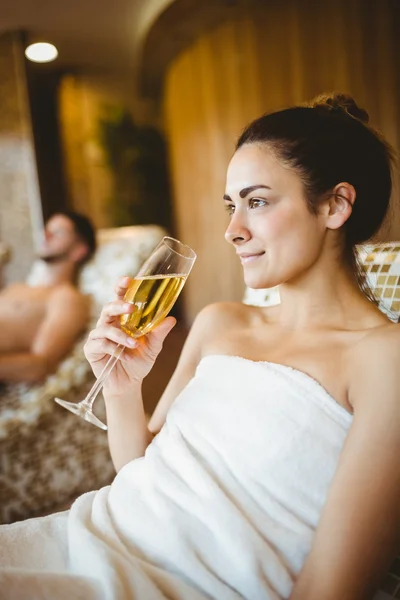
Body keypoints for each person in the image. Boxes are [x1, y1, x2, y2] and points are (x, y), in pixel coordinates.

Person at [0, 93, 398, 600]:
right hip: (87, 536)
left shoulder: (384, 360)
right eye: (231, 206)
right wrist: (124, 387)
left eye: (257, 202)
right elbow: (140, 476)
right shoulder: (220, 323)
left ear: (334, 205)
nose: (232, 230)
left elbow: (330, 589)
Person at [0, 211, 96, 384]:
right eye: (46, 229)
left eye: (58, 232)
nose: (45, 234)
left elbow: (40, 366)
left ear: (79, 251)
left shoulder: (67, 297)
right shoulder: (16, 288)